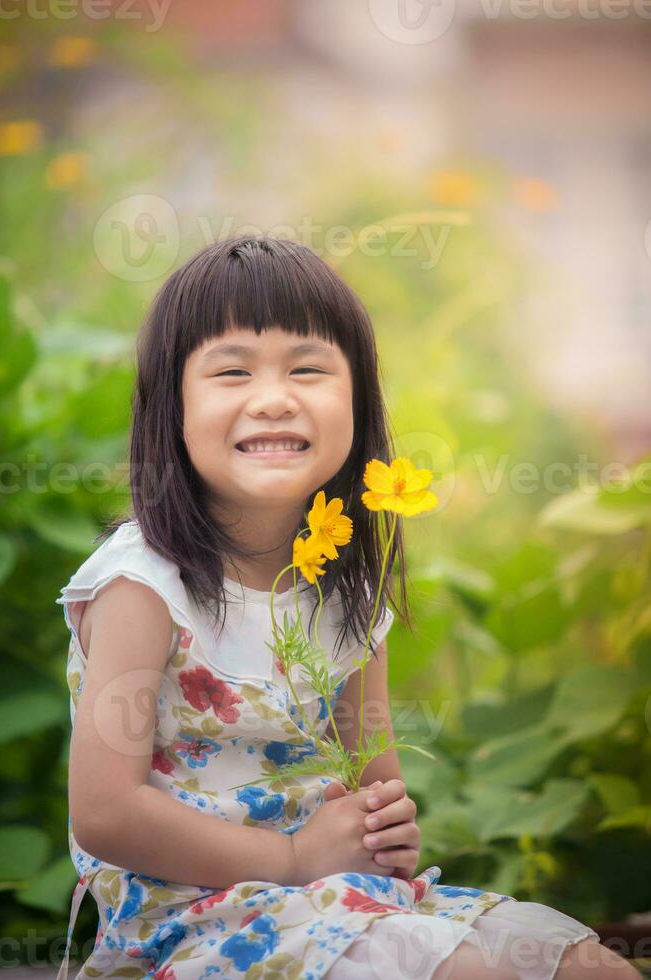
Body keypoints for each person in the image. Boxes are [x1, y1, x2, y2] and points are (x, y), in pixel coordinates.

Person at [55, 236, 638, 979]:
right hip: (191, 927)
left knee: (594, 967)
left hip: (338, 902)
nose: (273, 396)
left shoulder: (344, 588)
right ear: (171, 409)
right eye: (231, 371)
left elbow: (373, 782)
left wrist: (386, 830)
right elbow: (104, 814)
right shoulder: (144, 584)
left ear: (357, 402)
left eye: (308, 369)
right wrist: (292, 856)